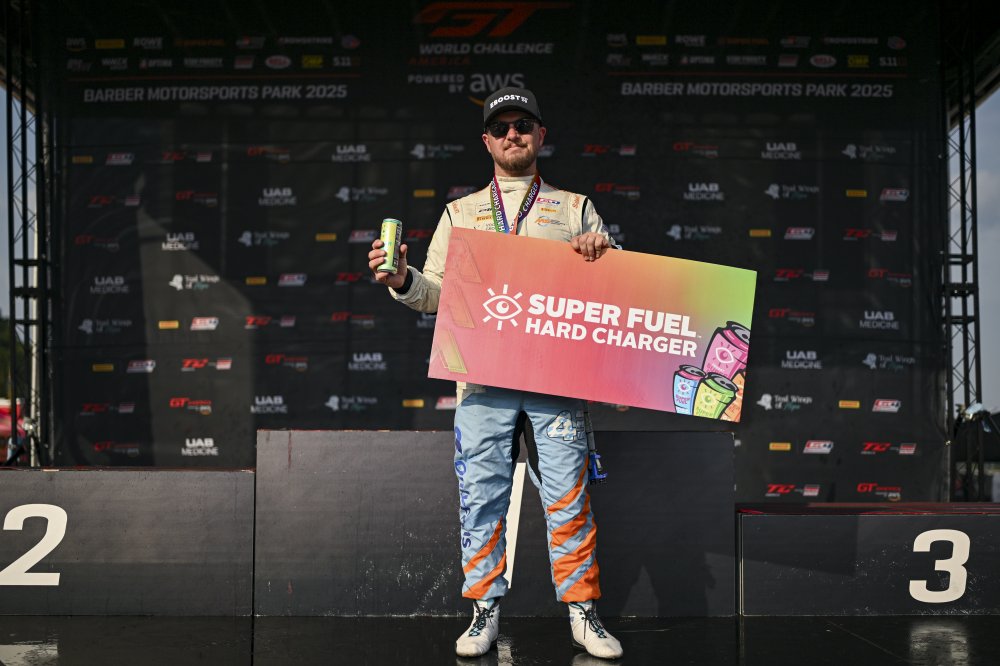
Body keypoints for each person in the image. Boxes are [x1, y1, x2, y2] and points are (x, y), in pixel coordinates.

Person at [368, 87, 623, 660]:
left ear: (541, 135)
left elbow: (614, 291)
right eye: (502, 127)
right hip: (482, 381)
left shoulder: (575, 208)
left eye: (523, 125)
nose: (513, 134)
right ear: (486, 140)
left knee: (569, 498)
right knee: (481, 497)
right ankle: (484, 609)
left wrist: (601, 253)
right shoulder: (459, 214)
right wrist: (402, 279)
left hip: (556, 380)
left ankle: (583, 612)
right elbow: (434, 296)